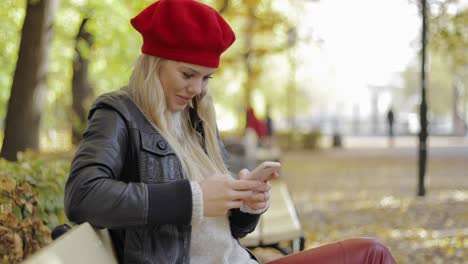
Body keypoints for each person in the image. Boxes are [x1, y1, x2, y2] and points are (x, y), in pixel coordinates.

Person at [64, 1, 396, 263]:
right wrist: (193, 199)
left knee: (371, 254)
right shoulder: (118, 113)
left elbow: (227, 232)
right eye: (188, 74)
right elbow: (82, 196)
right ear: (155, 62)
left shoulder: (195, 121)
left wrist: (246, 204)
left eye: (206, 78)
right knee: (371, 255)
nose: (196, 89)